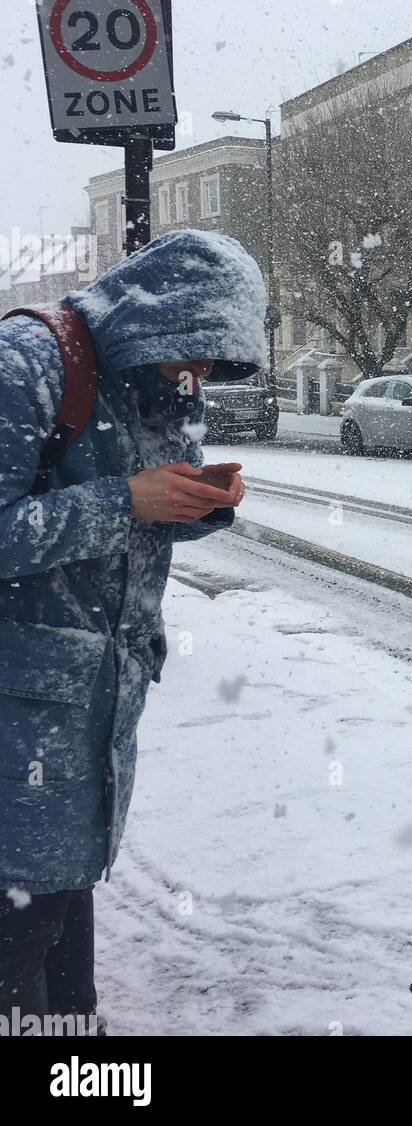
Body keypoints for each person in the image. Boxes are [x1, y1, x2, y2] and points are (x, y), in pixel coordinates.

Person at [0, 228, 267, 1034]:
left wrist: (193, 505)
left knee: (57, 907)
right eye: (190, 358)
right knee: (21, 924)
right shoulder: (27, 364)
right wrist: (127, 501)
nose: (194, 381)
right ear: (155, 319)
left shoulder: (159, 383)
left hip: (93, 708)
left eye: (212, 369)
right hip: (20, 715)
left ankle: (76, 1058)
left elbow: (139, 518)